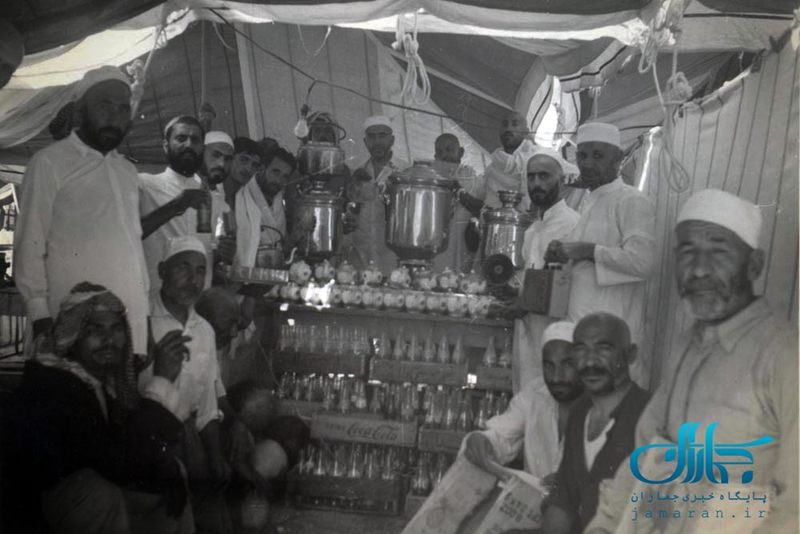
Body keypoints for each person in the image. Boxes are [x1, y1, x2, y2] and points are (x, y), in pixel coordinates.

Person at [587, 189, 798, 534]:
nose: (699, 269)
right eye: (687, 251)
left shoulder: (785, 355)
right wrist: (605, 526)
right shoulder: (688, 345)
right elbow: (647, 456)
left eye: (718, 251)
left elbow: (795, 508)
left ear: (755, 265)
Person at [1, 283, 193, 534]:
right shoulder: (54, 384)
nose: (109, 340)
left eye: (116, 328)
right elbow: (115, 463)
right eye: (94, 330)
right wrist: (161, 381)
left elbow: (129, 450)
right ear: (72, 338)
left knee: (172, 476)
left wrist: (169, 469)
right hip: (30, 517)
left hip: (86, 503)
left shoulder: (105, 383)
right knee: (96, 493)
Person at [15, 66, 150, 357]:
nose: (114, 117)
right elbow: (30, 244)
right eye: (104, 106)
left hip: (127, 325)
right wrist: (40, 316)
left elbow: (134, 252)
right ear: (79, 113)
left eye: (123, 109)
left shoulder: (127, 171)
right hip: (66, 324)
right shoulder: (49, 163)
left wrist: (144, 321)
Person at [544, 122, 655, 387]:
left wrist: (587, 251)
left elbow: (643, 262)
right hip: (580, 334)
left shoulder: (631, 200)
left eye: (598, 156)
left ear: (618, 159)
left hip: (612, 336)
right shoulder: (589, 201)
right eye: (582, 156)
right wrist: (562, 252)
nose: (588, 164)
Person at [138, 236, 231, 532]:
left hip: (190, 442)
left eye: (200, 270)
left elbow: (207, 406)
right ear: (162, 270)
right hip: (148, 443)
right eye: (183, 268)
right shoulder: (141, 320)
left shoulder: (204, 330)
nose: (193, 280)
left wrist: (215, 457)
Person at [542, 312, 651, 534]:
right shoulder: (580, 412)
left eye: (604, 349)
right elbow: (564, 501)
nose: (590, 362)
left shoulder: (650, 415)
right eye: (581, 349)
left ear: (630, 354)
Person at [462, 321, 582, 483]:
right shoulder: (534, 395)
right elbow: (501, 436)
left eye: (567, 365)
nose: (556, 377)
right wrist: (483, 440)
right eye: (549, 366)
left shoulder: (602, 406)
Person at [511, 149, 580, 390]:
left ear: (562, 181)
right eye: (531, 177)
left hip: (556, 339)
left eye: (544, 176)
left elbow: (566, 289)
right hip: (527, 336)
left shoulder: (573, 225)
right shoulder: (533, 230)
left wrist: (522, 303)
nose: (536, 183)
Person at [139, 115, 210, 295]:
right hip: (153, 298)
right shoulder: (144, 184)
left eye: (195, 140)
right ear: (165, 145)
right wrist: (176, 205)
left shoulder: (208, 195)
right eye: (181, 138)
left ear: (202, 148)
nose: (189, 145)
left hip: (198, 301)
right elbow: (127, 235)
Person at [342, 115, 409, 273]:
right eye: (371, 136)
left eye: (382, 136)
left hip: (393, 263)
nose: (377, 142)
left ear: (392, 140)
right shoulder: (357, 173)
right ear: (365, 141)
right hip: (359, 261)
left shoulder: (406, 172)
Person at [460, 110, 538, 213]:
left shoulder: (536, 158)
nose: (508, 129)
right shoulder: (495, 164)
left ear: (526, 132)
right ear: (499, 131)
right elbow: (481, 192)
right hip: (492, 220)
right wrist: (462, 179)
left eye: (515, 124)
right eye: (505, 125)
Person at [234, 147, 297, 268]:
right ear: (262, 169)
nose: (278, 180)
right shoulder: (240, 197)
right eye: (275, 172)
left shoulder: (278, 203)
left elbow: (280, 246)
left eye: (285, 176)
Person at [432, 133, 481, 273]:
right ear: (435, 156)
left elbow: (480, 208)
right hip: (436, 246)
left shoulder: (470, 176)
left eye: (449, 150)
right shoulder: (432, 178)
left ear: (461, 152)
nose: (445, 155)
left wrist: (457, 188)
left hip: (461, 245)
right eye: (440, 152)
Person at [199, 131, 237, 279]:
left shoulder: (224, 206)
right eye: (215, 155)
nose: (221, 164)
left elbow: (220, 254)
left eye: (227, 159)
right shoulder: (185, 193)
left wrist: (226, 254)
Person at [223, 137, 263, 211]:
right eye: (243, 160)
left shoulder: (251, 202)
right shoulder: (211, 193)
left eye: (254, 165)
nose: (248, 169)